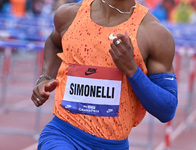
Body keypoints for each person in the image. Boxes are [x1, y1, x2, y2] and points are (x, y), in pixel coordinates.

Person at [31, 0, 178, 149]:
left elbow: (166, 110)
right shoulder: (69, 15)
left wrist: (132, 71)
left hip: (113, 145)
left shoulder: (154, 34)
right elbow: (54, 41)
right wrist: (45, 77)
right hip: (63, 134)